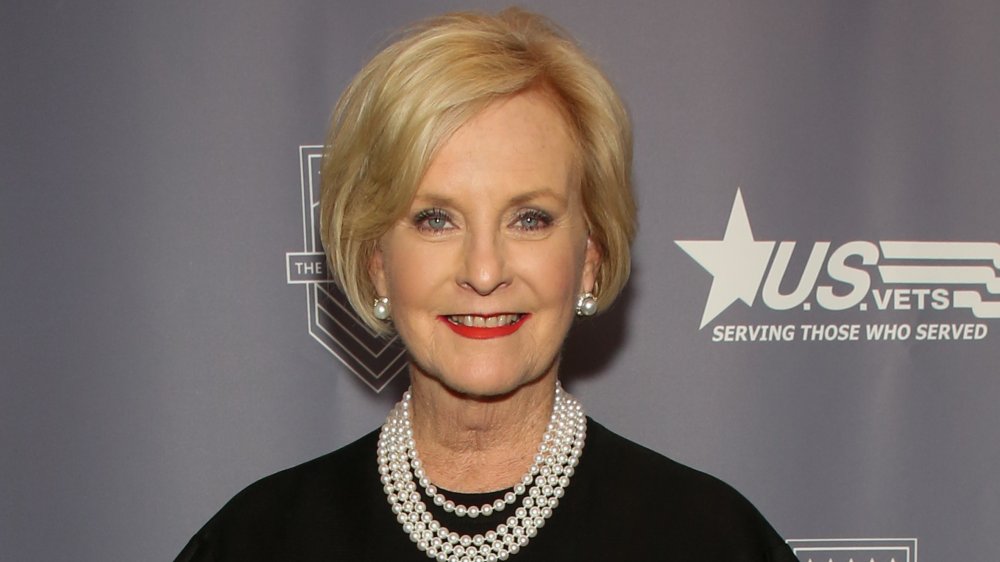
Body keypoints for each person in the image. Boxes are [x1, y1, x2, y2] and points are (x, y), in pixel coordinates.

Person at [176, 8, 799, 562]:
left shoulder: (708, 540)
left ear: (590, 255)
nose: (483, 271)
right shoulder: (258, 541)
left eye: (529, 219)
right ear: (375, 261)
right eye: (435, 219)